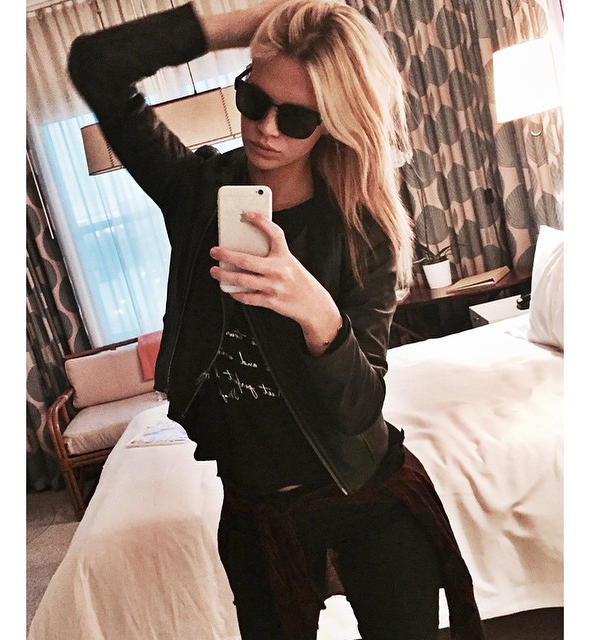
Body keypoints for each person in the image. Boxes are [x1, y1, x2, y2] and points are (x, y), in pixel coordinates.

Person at [68, 1, 485, 638]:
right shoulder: (193, 191)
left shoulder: (363, 228)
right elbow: (94, 64)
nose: (265, 129)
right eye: (253, 99)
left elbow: (358, 407)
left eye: (296, 117)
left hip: (367, 495)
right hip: (256, 513)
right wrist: (250, 22)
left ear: (334, 122)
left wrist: (316, 312)